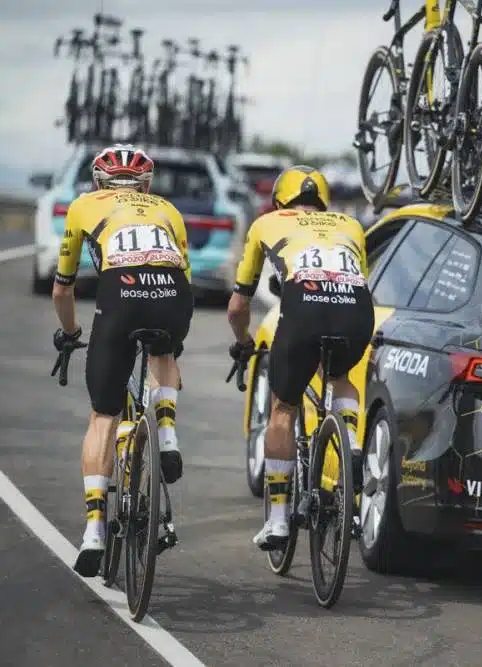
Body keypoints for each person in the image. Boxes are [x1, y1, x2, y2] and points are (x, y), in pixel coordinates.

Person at [51, 144, 193, 577]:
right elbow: (184, 275)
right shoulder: (168, 209)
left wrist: (71, 333)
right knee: (165, 349)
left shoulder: (83, 205)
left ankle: (94, 530)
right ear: (146, 185)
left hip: (121, 293)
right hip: (173, 294)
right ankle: (166, 434)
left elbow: (62, 287)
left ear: (99, 182)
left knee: (103, 415)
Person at [227, 165, 375, 550]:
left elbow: (238, 305)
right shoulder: (351, 225)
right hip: (357, 310)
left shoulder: (267, 223)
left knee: (283, 408)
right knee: (340, 376)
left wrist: (243, 342)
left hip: (304, 309)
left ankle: (277, 520)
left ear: (280, 201)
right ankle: (350, 445)